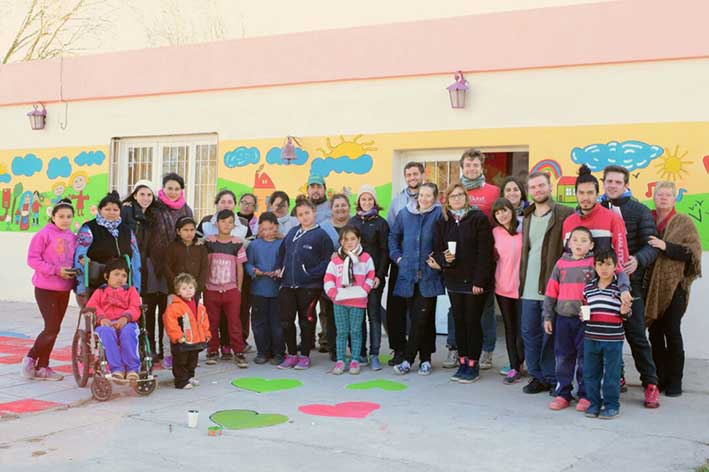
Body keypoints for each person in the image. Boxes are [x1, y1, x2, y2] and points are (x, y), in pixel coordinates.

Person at [543, 226, 631, 411]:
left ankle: (585, 395)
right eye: (575, 240)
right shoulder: (560, 264)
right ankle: (563, 393)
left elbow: (620, 273)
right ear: (568, 243)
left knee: (586, 359)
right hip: (563, 318)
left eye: (584, 240)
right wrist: (548, 316)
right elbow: (551, 292)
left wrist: (624, 290)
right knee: (563, 357)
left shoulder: (595, 262)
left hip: (586, 321)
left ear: (591, 245)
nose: (578, 244)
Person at [599, 165, 661, 408]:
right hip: (603, 284)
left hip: (631, 284)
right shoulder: (596, 208)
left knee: (636, 336)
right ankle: (618, 376)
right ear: (603, 183)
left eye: (617, 181)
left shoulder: (640, 210)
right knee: (607, 335)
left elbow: (652, 246)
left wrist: (638, 260)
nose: (612, 185)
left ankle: (650, 384)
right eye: (609, 181)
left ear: (626, 185)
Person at [645, 181, 703, 397]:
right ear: (654, 196)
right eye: (660, 194)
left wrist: (665, 246)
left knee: (672, 330)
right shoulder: (648, 219)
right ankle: (660, 378)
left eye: (668, 195)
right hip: (650, 287)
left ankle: (676, 380)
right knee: (655, 332)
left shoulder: (683, 222)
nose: (663, 198)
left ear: (674, 198)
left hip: (674, 286)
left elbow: (692, 252)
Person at [519, 171, 574, 395]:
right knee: (530, 334)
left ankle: (553, 378)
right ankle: (537, 377)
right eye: (533, 187)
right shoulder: (528, 215)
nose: (538, 190)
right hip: (528, 287)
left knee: (551, 337)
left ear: (550, 187)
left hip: (552, 287)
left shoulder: (564, 213)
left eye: (541, 186)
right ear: (529, 191)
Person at [433, 183, 494, 383]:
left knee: (472, 322)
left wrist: (479, 280)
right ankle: (462, 361)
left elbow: (485, 253)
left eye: (460, 195)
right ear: (447, 199)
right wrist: (444, 260)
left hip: (474, 282)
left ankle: (473, 364)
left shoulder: (478, 218)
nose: (457, 199)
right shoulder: (443, 221)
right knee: (459, 322)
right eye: (453, 196)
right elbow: (438, 248)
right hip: (454, 280)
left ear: (466, 197)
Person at [389, 183, 444, 376]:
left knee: (421, 318)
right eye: (421, 195)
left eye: (429, 195)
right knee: (421, 319)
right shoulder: (405, 214)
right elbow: (393, 237)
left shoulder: (439, 215)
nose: (424, 199)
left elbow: (446, 241)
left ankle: (408, 359)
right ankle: (426, 359)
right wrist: (398, 258)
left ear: (435, 197)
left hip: (429, 276)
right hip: (408, 275)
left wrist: (440, 260)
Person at [21, 199, 77, 381]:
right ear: (53, 217)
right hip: (45, 288)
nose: (65, 220)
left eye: (69, 216)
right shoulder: (43, 234)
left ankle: (43, 367)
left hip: (64, 289)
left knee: (55, 328)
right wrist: (55, 270)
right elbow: (32, 260)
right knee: (51, 327)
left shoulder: (72, 236)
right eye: (61, 216)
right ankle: (30, 357)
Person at [276, 198, 334, 370]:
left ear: (314, 213)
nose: (304, 217)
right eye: (300, 214)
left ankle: (305, 356)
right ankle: (292, 354)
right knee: (286, 321)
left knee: (306, 321)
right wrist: (279, 268)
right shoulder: (293, 232)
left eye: (307, 213)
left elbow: (327, 260)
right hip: (287, 285)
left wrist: (311, 274)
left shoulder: (321, 235)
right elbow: (281, 253)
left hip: (309, 288)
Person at [145, 173, 193, 369]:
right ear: (163, 188)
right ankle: (150, 349)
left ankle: (169, 350)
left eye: (176, 188)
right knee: (149, 309)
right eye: (169, 188)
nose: (172, 192)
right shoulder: (154, 207)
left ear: (181, 190)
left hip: (174, 266)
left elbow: (189, 235)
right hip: (152, 263)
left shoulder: (186, 209)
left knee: (168, 312)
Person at [197, 189, 251, 360]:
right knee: (212, 321)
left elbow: (240, 268)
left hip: (231, 289)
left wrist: (239, 289)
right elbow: (205, 264)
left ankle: (238, 350)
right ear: (216, 223)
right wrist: (204, 285)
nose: (226, 225)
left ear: (234, 225)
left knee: (234, 322)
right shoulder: (209, 241)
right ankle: (212, 349)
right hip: (211, 289)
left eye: (230, 222)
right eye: (223, 222)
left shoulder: (237, 243)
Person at [459, 148, 500, 369]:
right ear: (462, 167)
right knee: (456, 308)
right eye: (468, 165)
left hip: (484, 259)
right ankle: (455, 349)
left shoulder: (493, 191)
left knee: (485, 307)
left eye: (475, 165)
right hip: (460, 261)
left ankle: (487, 351)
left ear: (481, 167)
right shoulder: (455, 192)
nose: (472, 168)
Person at [583, 249, 632, 419]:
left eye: (608, 264)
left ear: (615, 266)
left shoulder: (620, 288)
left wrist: (625, 311)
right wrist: (583, 315)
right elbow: (585, 309)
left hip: (613, 339)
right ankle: (594, 403)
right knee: (590, 372)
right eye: (600, 264)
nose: (604, 268)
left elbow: (626, 315)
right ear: (594, 266)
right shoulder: (588, 288)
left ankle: (611, 405)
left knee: (611, 374)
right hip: (591, 337)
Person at [386, 162, 424, 366]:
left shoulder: (431, 199)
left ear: (422, 175)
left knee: (420, 309)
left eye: (415, 174)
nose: (412, 177)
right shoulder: (397, 201)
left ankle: (421, 352)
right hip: (401, 262)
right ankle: (399, 349)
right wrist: (397, 257)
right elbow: (393, 232)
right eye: (408, 174)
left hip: (423, 264)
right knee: (396, 308)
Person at [324, 225, 376, 375]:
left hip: (358, 302)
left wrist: (364, 291)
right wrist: (334, 294)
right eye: (346, 239)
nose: (349, 242)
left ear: (359, 239)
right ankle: (340, 360)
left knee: (356, 331)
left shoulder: (365, 258)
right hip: (340, 302)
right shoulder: (336, 260)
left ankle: (355, 360)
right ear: (340, 241)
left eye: (353, 239)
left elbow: (370, 275)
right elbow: (328, 278)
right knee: (341, 332)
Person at [349, 184, 389, 371]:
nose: (366, 202)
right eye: (363, 199)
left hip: (374, 278)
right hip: (355, 279)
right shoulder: (352, 222)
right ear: (358, 201)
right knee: (358, 316)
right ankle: (360, 353)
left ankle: (374, 354)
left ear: (375, 201)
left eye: (370, 199)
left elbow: (384, 251)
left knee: (373, 315)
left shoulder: (381, 223)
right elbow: (346, 249)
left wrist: (380, 276)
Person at [74, 191, 141, 300]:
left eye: (115, 210)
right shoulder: (89, 228)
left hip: (121, 284)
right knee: (97, 316)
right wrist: (80, 286)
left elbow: (135, 258)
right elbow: (80, 255)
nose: (112, 213)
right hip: (96, 283)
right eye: (107, 209)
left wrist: (136, 286)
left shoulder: (127, 230)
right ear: (100, 210)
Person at [86, 258, 141, 381]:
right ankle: (117, 369)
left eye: (124, 275)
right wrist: (101, 318)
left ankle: (132, 368)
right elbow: (92, 306)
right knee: (106, 332)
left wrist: (126, 317)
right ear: (106, 276)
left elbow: (135, 307)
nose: (120, 278)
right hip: (106, 323)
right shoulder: (100, 291)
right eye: (116, 274)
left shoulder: (130, 291)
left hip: (126, 322)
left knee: (128, 332)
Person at [491, 198, 525, 384]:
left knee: (524, 329)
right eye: (497, 213)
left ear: (511, 210)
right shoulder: (494, 233)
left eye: (504, 210)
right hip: (502, 287)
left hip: (522, 287)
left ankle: (522, 360)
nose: (502, 215)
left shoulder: (523, 230)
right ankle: (514, 366)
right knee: (510, 328)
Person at [245, 212, 285, 365]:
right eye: (264, 229)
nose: (267, 232)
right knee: (259, 323)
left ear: (276, 227)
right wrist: (255, 271)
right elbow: (248, 264)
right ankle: (262, 351)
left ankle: (279, 352)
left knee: (277, 323)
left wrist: (278, 271)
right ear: (259, 229)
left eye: (271, 228)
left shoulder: (282, 244)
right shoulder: (254, 245)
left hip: (277, 291)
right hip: (258, 290)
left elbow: (286, 263)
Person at [163, 272, 211, 390]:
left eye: (190, 287)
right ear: (178, 291)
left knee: (192, 360)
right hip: (181, 340)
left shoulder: (199, 306)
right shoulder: (174, 306)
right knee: (180, 361)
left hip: (195, 340)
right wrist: (178, 336)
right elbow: (170, 322)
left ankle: (190, 376)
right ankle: (181, 381)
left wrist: (206, 333)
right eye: (184, 288)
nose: (188, 290)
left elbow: (204, 321)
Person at [319, 193, 352, 356]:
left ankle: (355, 348)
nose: (340, 208)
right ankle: (334, 349)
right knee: (331, 314)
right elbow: (319, 252)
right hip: (332, 278)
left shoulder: (355, 224)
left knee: (353, 313)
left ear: (349, 207)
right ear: (331, 209)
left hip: (354, 279)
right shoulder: (324, 227)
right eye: (336, 205)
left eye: (343, 205)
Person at [121, 180, 155, 302]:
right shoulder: (126, 210)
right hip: (128, 260)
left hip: (143, 261)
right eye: (142, 194)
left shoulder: (153, 214)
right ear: (135, 196)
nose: (146, 198)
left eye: (149, 195)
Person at [164, 216, 209, 297]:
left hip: (194, 292)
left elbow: (204, 269)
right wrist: (178, 286)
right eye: (185, 230)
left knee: (192, 310)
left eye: (192, 230)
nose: (189, 233)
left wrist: (196, 287)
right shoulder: (172, 248)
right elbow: (167, 268)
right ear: (178, 231)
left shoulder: (201, 249)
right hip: (176, 291)